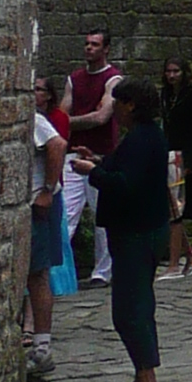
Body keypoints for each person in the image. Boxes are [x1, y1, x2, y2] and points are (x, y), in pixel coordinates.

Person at [71, 76, 170, 382]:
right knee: (133, 307)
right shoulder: (142, 138)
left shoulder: (143, 140)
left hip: (137, 235)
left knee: (132, 310)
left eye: (117, 102)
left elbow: (127, 185)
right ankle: (142, 378)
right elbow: (124, 169)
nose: (113, 109)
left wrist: (91, 173)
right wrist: (97, 161)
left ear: (130, 105)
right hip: (138, 233)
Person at [63, 27, 121, 286]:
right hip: (73, 154)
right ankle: (59, 271)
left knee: (103, 217)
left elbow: (103, 117)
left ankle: (103, 272)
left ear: (106, 48)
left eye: (95, 44)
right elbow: (61, 118)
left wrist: (72, 121)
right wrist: (78, 121)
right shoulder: (74, 79)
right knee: (65, 212)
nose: (89, 48)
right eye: (87, 43)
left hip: (101, 155)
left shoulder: (113, 79)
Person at [24, 74, 69, 381]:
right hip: (29, 205)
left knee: (37, 273)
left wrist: (46, 190)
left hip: (38, 205)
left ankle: (42, 347)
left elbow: (58, 144)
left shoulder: (35, 120)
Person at [161, 57, 192, 274]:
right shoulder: (166, 95)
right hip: (169, 153)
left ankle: (174, 264)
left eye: (176, 71)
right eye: (168, 71)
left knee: (176, 209)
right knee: (170, 207)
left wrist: (191, 161)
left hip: (183, 156)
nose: (171, 76)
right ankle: (189, 254)